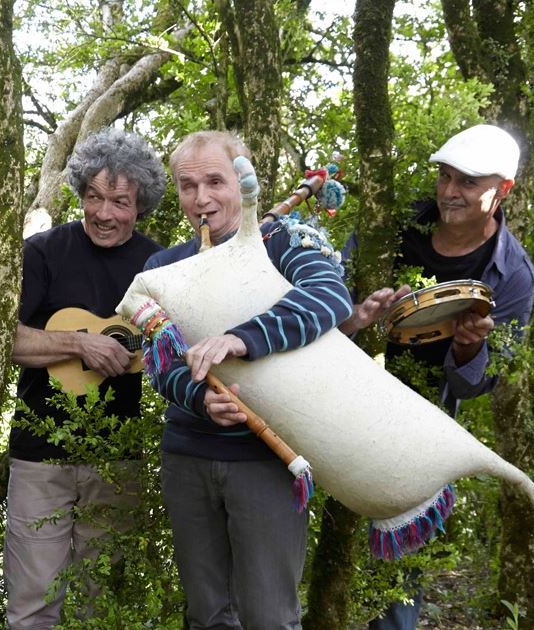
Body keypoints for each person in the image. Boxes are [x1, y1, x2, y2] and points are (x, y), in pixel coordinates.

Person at [145, 131, 353, 629]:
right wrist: (200, 398)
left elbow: (330, 297)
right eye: (188, 185)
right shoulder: (163, 267)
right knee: (208, 615)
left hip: (269, 457)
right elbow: (162, 364)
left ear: (242, 181)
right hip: (189, 456)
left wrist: (241, 339)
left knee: (269, 618)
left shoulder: (283, 242)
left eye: (215, 181)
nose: (202, 198)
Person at [338, 124, 534, 629]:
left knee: (397, 578)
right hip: (336, 401)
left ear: (502, 191)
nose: (449, 192)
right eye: (445, 177)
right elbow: (323, 302)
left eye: (468, 182)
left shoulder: (511, 274)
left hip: (419, 430)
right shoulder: (394, 225)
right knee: (320, 555)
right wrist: (360, 313)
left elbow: (480, 383)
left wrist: (470, 347)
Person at [5, 128, 165, 629]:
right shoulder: (44, 252)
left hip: (118, 456)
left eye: (120, 201)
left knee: (106, 605)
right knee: (32, 605)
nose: (103, 212)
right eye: (93, 196)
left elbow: (182, 347)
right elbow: (7, 341)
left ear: (140, 206)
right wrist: (79, 343)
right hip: (38, 455)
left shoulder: (159, 264)